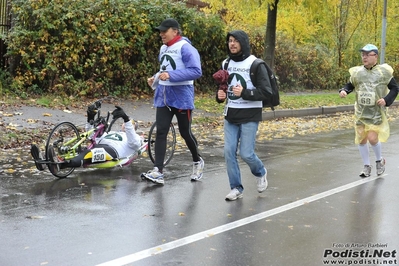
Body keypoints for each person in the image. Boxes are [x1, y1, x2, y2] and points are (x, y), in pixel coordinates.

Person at [144, 18, 204, 185]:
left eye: (165, 31)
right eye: (160, 31)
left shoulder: (186, 48)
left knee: (185, 132)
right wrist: (155, 78)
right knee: (161, 131)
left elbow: (196, 71)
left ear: (175, 31)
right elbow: (166, 69)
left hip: (182, 97)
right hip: (164, 96)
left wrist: (171, 76)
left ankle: (197, 161)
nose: (161, 34)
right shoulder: (163, 48)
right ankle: (158, 171)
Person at [215, 30, 272, 201]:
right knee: (229, 151)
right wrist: (219, 95)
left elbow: (266, 92)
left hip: (250, 115)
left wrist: (245, 92)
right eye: (230, 41)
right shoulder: (226, 63)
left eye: (236, 41)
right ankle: (236, 187)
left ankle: (261, 172)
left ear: (243, 43)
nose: (232, 44)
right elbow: (223, 87)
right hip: (231, 114)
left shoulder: (255, 64)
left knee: (246, 153)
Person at [339, 44, 399, 177]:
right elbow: (350, 84)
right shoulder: (358, 72)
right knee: (361, 139)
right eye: (363, 55)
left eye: (367, 54)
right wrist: (344, 90)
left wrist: (386, 99)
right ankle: (366, 166)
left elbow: (395, 88)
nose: (364, 57)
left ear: (375, 56)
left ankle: (379, 161)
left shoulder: (383, 72)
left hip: (375, 112)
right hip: (361, 112)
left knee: (372, 138)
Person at [30, 105, 143, 173]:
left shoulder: (136, 138)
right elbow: (92, 136)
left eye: (132, 123)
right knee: (79, 151)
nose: (127, 124)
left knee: (87, 154)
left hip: (113, 152)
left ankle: (58, 165)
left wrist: (126, 119)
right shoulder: (112, 133)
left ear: (134, 127)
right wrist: (90, 117)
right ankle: (44, 161)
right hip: (99, 146)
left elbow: (134, 143)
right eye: (127, 123)